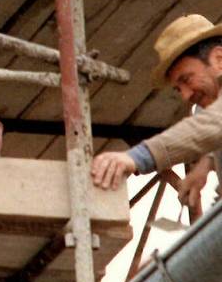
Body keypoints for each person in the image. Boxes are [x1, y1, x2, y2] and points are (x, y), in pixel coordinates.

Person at [91, 12, 222, 215]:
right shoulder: (206, 109)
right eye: (179, 89)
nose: (186, 96)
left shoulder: (212, 115)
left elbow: (212, 124)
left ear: (219, 59)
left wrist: (138, 157)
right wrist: (205, 166)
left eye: (186, 80)